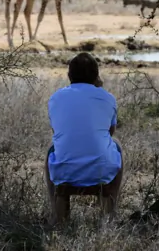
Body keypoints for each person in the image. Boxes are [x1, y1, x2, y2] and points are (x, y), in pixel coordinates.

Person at [45, 52, 123, 221]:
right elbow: (110, 133)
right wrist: (99, 88)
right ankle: (109, 213)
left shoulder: (55, 98)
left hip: (65, 172)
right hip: (101, 172)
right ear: (97, 76)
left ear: (69, 76)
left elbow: (57, 132)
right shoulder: (108, 98)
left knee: (52, 149)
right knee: (116, 145)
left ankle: (58, 216)